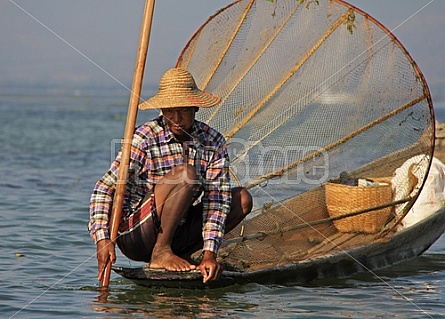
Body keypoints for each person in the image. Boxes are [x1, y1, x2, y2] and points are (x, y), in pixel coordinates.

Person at [88, 67, 252, 284]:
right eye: (169, 110)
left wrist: (209, 255)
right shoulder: (145, 137)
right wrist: (103, 239)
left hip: (179, 232)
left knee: (241, 199)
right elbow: (104, 188)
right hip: (137, 234)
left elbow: (217, 201)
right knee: (186, 175)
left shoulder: (212, 141)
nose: (176, 118)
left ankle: (181, 254)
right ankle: (161, 252)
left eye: (183, 110)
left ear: (195, 107)